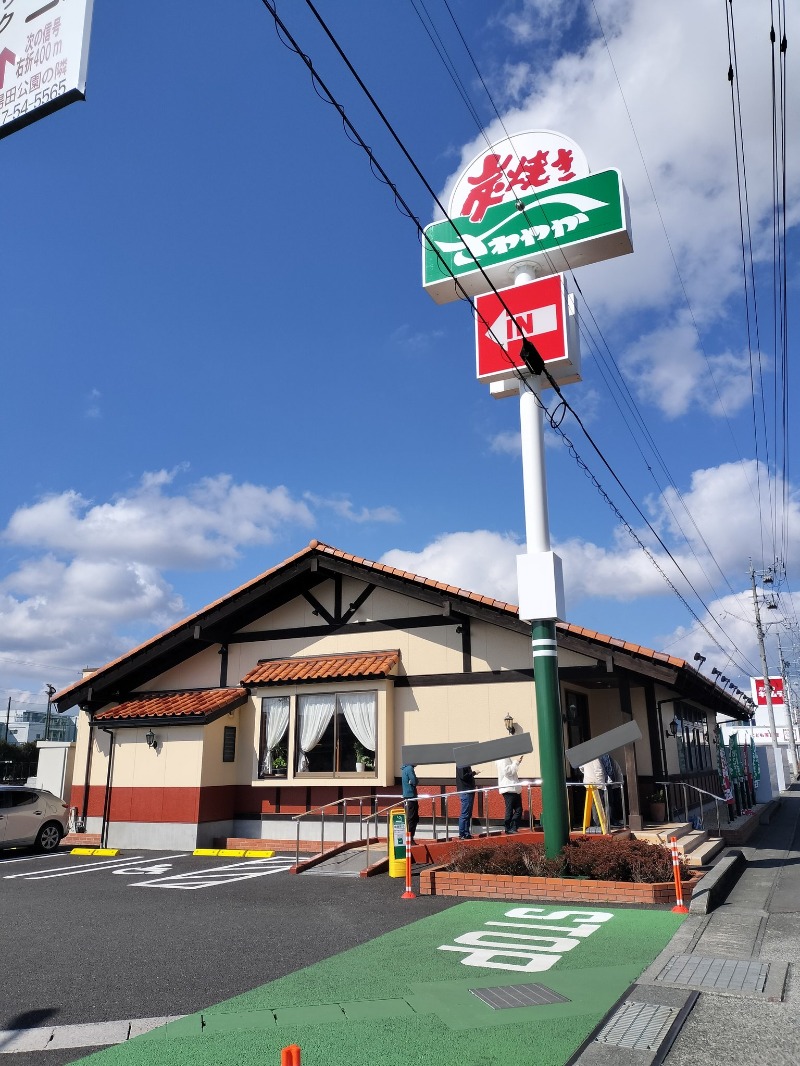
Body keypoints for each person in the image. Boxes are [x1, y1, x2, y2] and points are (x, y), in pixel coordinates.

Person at [496, 755, 523, 834]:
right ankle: (508, 828)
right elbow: (508, 772)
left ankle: (513, 827)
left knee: (519, 810)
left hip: (513, 788)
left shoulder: (506, 758)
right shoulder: (502, 758)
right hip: (508, 788)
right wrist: (516, 762)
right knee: (510, 809)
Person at [456, 764, 478, 839]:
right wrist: (474, 773)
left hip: (468, 790)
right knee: (465, 813)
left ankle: (466, 833)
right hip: (466, 790)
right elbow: (463, 776)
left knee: (468, 813)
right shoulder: (461, 764)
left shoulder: (463, 763)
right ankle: (462, 833)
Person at [401, 762, 419, 844]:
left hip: (407, 795)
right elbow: (415, 781)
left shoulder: (405, 769)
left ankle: (409, 838)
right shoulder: (409, 768)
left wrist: (412, 782)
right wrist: (414, 781)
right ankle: (410, 838)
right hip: (411, 795)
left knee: (410, 817)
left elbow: (412, 781)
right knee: (412, 817)